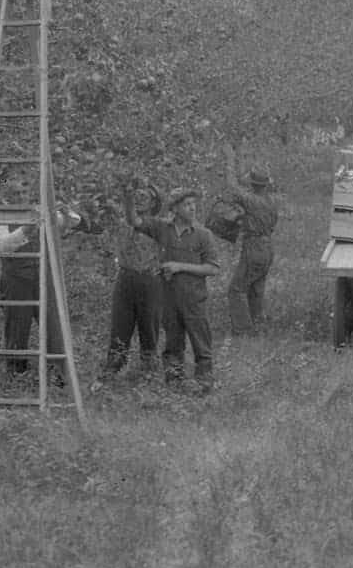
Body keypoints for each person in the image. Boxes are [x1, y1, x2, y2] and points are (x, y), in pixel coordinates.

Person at [0, 202, 86, 387]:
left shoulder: (41, 209)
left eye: (23, 192)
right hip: (16, 279)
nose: (20, 196)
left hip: (44, 276)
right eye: (15, 194)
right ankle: (16, 378)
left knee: (53, 325)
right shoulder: (1, 217)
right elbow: (2, 247)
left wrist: (64, 210)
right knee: (17, 327)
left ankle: (58, 377)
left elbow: (74, 221)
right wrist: (26, 229)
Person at [158, 187, 220, 390]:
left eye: (194, 204)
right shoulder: (164, 230)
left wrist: (179, 266)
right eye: (187, 204)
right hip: (169, 298)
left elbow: (212, 268)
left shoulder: (203, 234)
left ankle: (204, 387)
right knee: (173, 345)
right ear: (175, 208)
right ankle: (174, 386)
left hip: (194, 299)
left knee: (201, 345)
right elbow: (136, 223)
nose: (193, 208)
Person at [107, 183, 168, 378]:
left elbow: (134, 219)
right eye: (137, 196)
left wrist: (127, 196)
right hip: (125, 278)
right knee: (119, 326)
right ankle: (112, 369)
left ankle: (148, 373)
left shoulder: (157, 224)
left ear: (153, 204)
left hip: (150, 281)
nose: (140, 199)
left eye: (146, 197)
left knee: (149, 327)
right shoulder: (125, 222)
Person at [221, 143, 280, 335]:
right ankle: (259, 325)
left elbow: (231, 186)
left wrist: (229, 160)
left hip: (254, 247)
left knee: (236, 290)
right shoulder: (271, 202)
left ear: (252, 183)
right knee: (256, 288)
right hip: (267, 248)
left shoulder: (250, 200)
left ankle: (243, 330)